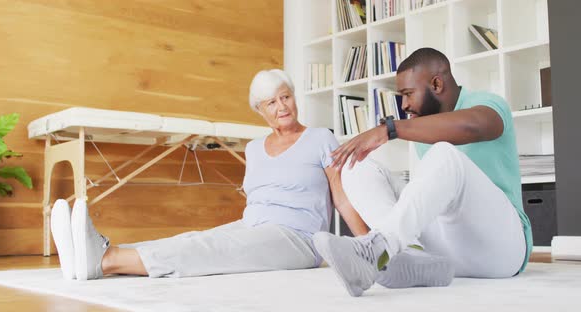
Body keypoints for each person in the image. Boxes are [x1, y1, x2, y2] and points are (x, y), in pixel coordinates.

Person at [50, 69, 371, 280]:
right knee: (194, 239)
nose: (281, 107)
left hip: (300, 240)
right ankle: (92, 254)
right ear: (260, 111)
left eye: (285, 97)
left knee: (211, 252)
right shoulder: (254, 148)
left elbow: (341, 199)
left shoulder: (320, 138)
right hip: (253, 225)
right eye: (271, 102)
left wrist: (372, 248)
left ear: (294, 98)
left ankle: (105, 261)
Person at [313, 48, 532, 297]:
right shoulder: (422, 130)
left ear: (436, 84)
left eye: (408, 94)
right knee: (356, 167)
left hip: (502, 248)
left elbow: (474, 126)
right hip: (449, 250)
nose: (404, 105)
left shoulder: (488, 104)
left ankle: (379, 251)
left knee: (444, 154)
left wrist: (390, 130)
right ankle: (409, 256)